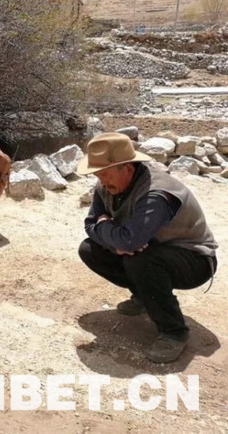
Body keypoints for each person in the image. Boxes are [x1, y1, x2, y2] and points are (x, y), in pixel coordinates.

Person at [77, 132, 218, 363]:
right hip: (150, 250)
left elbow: (127, 240)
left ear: (127, 169)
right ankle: (144, 297)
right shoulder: (106, 185)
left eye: (104, 173)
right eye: (98, 174)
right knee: (89, 250)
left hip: (195, 260)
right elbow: (90, 225)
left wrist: (110, 231)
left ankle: (174, 332)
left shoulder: (156, 193)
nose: (101, 180)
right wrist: (116, 244)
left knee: (141, 259)